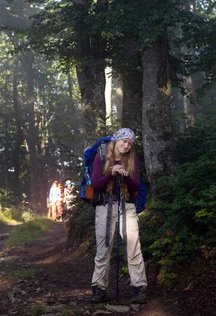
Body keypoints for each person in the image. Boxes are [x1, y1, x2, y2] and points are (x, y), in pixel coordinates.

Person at [90, 127, 147, 304]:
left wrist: (125, 175)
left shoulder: (132, 159)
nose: (126, 145)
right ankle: (98, 288)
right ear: (117, 140)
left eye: (129, 143)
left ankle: (139, 287)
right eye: (124, 141)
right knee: (103, 249)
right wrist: (111, 174)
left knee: (133, 247)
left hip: (127, 205)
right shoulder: (101, 155)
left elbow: (136, 186)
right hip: (105, 206)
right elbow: (95, 184)